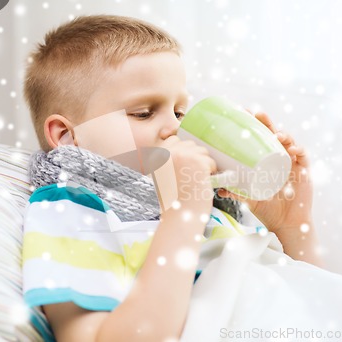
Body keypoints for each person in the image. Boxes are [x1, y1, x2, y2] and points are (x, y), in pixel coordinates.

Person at [22, 14, 320, 341]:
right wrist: (183, 215)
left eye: (179, 111)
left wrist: (291, 226)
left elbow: (314, 307)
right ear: (67, 135)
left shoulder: (216, 206)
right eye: (144, 112)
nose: (175, 127)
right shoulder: (71, 211)